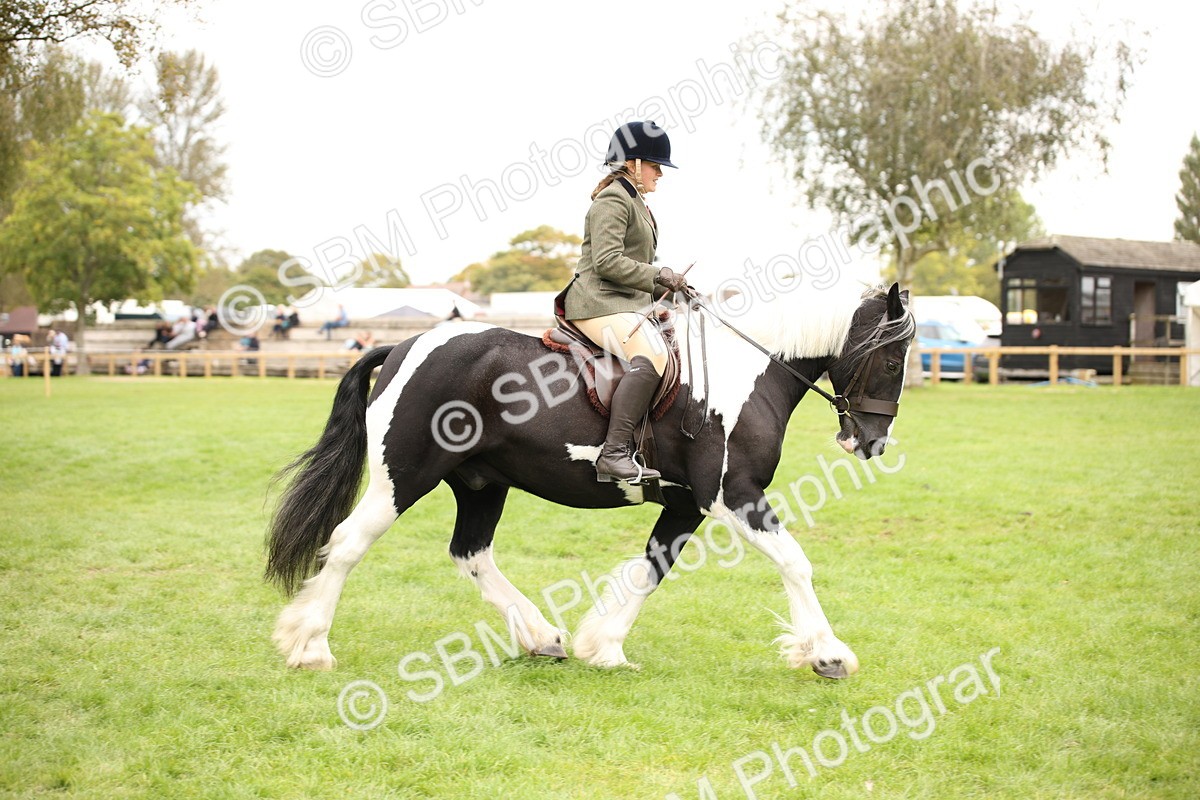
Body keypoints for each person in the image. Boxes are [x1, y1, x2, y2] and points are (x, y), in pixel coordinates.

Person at [560, 120, 690, 483]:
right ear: (632, 164)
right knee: (652, 355)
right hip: (596, 302)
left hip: (623, 302)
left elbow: (635, 265)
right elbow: (607, 261)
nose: (660, 174)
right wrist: (658, 274)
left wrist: (669, 291)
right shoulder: (613, 198)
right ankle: (614, 454)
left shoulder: (636, 201)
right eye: (654, 165)